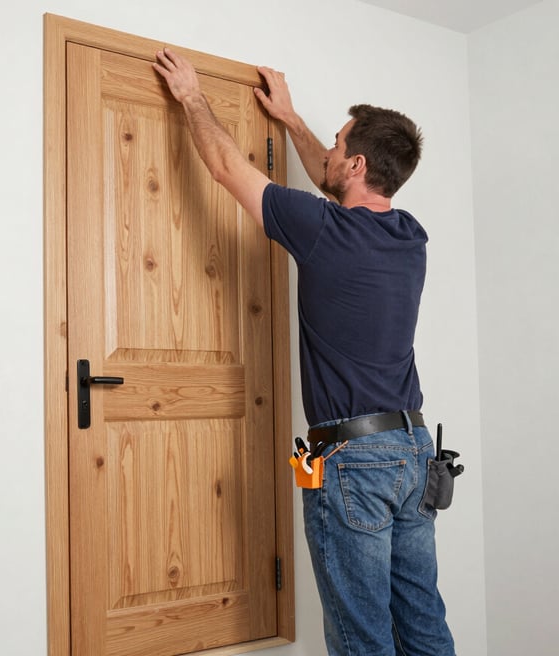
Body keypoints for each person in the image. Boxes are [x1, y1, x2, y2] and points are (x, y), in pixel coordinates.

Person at [153, 48, 456, 656]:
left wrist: (191, 96)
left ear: (357, 163)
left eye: (339, 144)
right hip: (415, 451)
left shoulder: (321, 229)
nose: (330, 152)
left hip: (355, 461)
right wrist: (290, 118)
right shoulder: (410, 235)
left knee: (362, 637)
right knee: (421, 625)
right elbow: (332, 178)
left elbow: (225, 165)